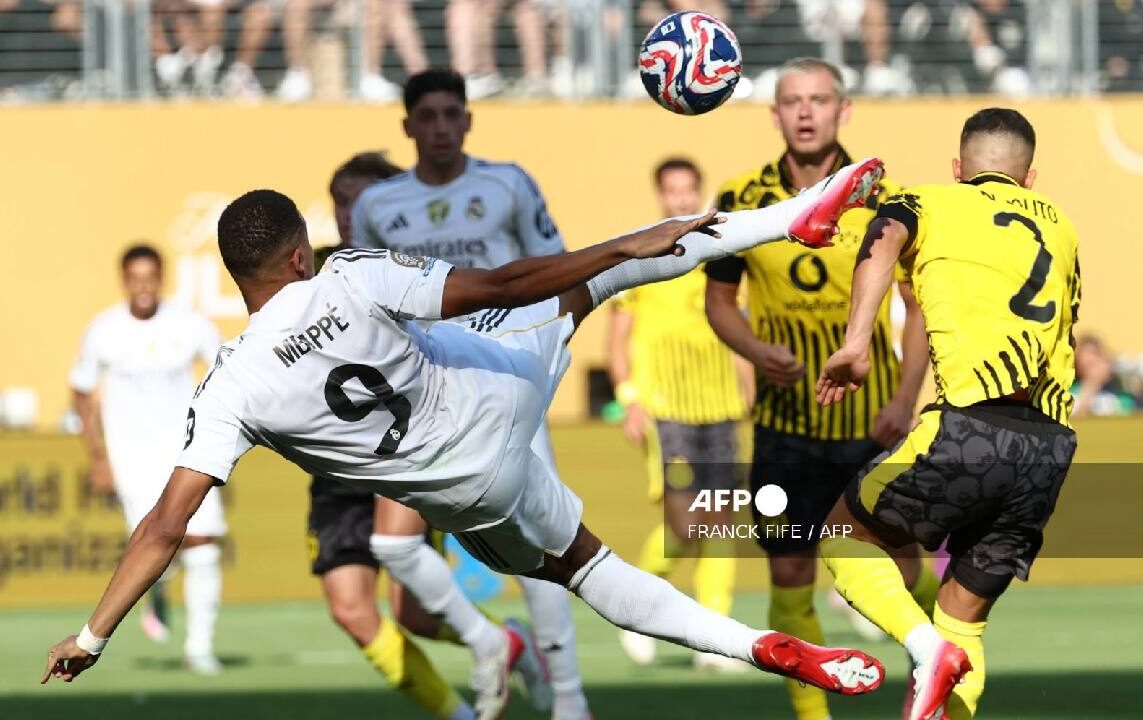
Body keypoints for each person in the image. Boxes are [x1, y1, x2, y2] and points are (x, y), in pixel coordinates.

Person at [43, 158, 892, 712]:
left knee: (588, 571)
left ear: (236, 278)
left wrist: (91, 636)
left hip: (468, 495)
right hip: (499, 392)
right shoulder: (349, 274)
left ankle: (761, 648)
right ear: (302, 255)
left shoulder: (229, 386)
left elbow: (162, 527)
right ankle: (793, 216)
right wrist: (620, 247)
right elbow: (506, 283)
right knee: (609, 271)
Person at [812, 108, 1080, 719]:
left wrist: (856, 342)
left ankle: (923, 648)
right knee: (964, 616)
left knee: (843, 536)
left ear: (958, 169)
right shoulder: (1061, 226)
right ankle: (942, 655)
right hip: (1049, 445)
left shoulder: (929, 201)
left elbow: (883, 237)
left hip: (972, 423)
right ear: (1029, 178)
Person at [704, 56, 938, 720]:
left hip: (873, 423)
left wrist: (905, 400)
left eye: (819, 99)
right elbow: (719, 304)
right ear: (775, 114)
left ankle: (936, 669)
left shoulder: (888, 198)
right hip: (785, 429)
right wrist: (756, 350)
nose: (806, 111)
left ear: (844, 110)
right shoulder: (741, 198)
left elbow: (919, 306)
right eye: (793, 101)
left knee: (902, 566)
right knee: (788, 574)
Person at [351, 67, 587, 720]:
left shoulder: (507, 184)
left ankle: (570, 699)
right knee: (394, 543)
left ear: (469, 120)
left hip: (508, 377)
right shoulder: (378, 207)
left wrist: (548, 350)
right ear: (407, 126)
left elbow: (559, 269)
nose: (441, 128)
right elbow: (367, 302)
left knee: (541, 534)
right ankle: (496, 643)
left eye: (452, 114)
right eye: (427, 117)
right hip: (426, 391)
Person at [311, 151, 477, 720]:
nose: (349, 213)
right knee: (350, 610)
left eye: (362, 201)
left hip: (403, 452)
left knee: (416, 616)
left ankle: (509, 644)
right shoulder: (313, 271)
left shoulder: (420, 272)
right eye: (340, 202)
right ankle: (460, 713)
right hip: (337, 462)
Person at [608, 157, 753, 672]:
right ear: (660, 195)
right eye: (673, 191)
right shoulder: (640, 255)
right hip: (666, 409)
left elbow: (736, 324)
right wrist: (628, 398)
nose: (682, 199)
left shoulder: (720, 253)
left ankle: (716, 639)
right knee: (685, 524)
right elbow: (617, 340)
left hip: (721, 407)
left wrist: (749, 386)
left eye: (689, 189)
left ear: (699, 190)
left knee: (722, 521)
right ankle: (633, 608)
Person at [69, 245, 226, 675]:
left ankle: (199, 648)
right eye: (135, 278)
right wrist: (98, 457)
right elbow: (81, 392)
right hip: (132, 457)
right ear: (124, 280)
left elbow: (227, 372)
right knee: (154, 546)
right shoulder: (104, 329)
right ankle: (158, 587)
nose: (143, 286)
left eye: (150, 277)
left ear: (161, 278)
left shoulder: (189, 324)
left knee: (202, 542)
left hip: (188, 452)